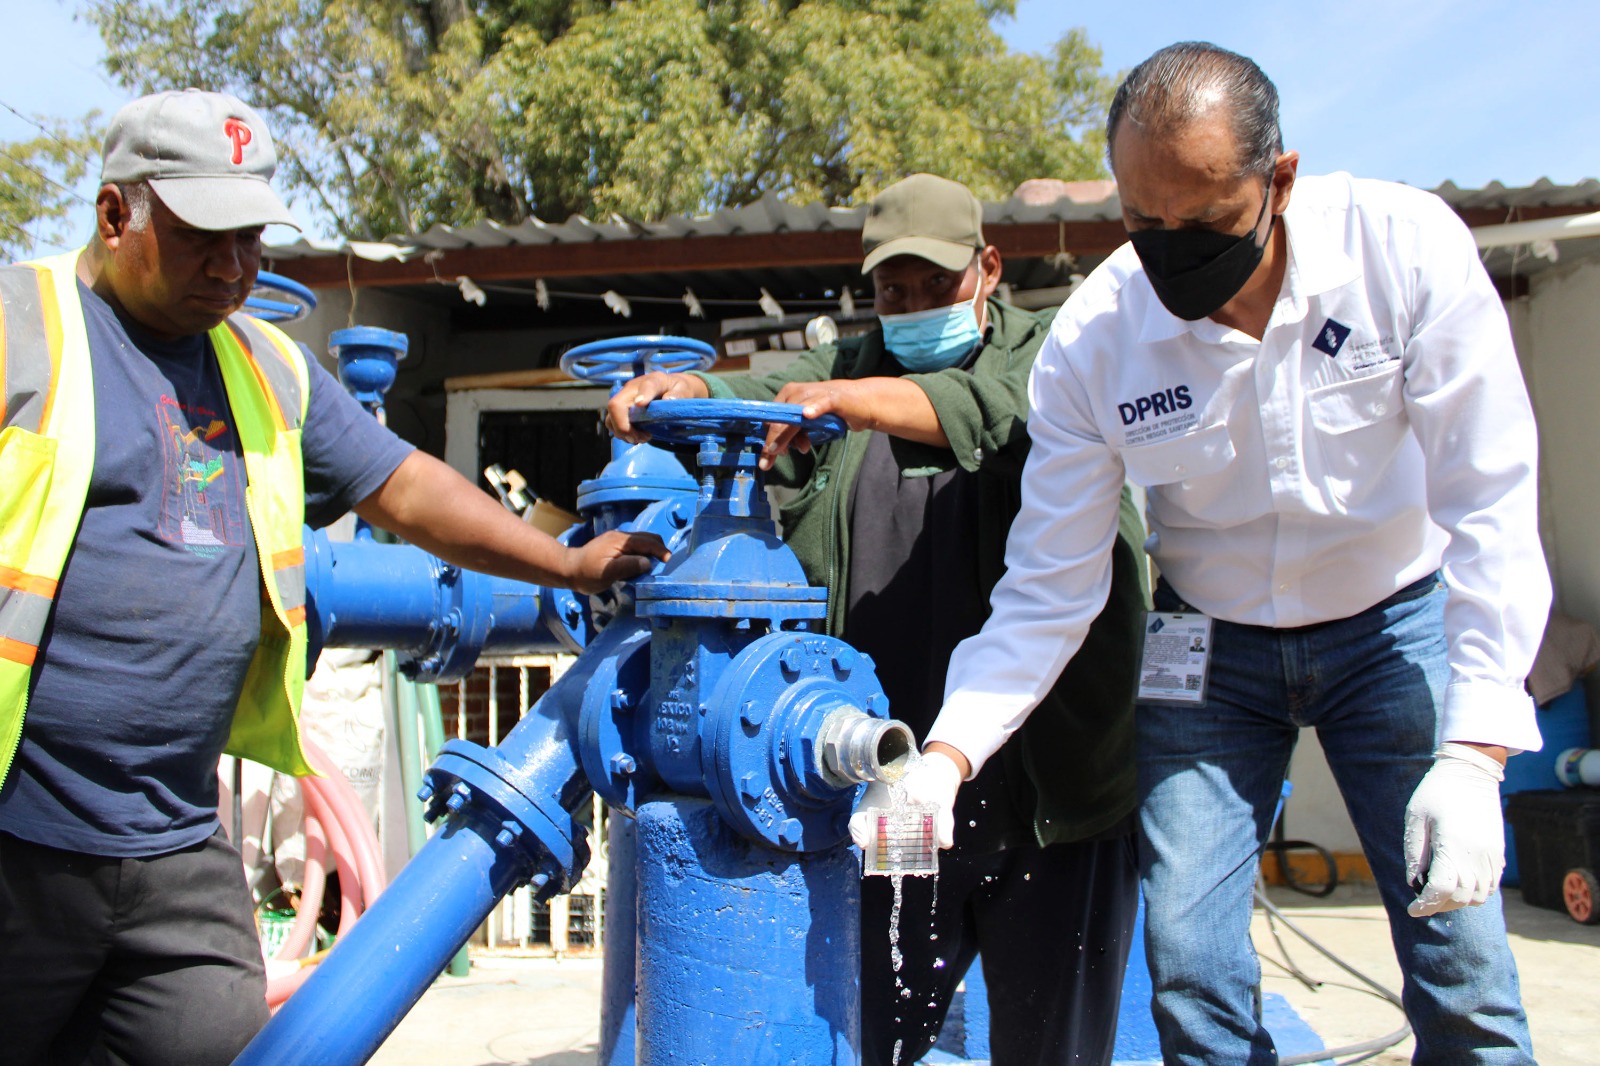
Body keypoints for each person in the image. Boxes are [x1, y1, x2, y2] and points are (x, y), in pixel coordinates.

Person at [899, 42, 1549, 1066]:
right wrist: (946, 756)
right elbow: (1049, 589)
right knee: (1189, 964)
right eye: (1140, 223)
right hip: (1206, 649)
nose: (1168, 253)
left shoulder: (1401, 252)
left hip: (1395, 621)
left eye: (1200, 223)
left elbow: (1490, 506)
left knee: (1456, 947)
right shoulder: (1095, 341)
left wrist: (1474, 756)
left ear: (1277, 178)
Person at [0, 89, 666, 1065]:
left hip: (178, 846)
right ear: (115, 215)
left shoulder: (269, 365)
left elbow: (405, 487)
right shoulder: (25, 328)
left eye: (250, 242)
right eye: (200, 238)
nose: (232, 268)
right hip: (22, 843)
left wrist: (561, 559)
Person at [609, 173, 1147, 1066]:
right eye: (893, 290)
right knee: (878, 1030)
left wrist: (843, 405)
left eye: (937, 285)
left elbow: (988, 411)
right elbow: (772, 382)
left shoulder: (1051, 350)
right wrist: (687, 388)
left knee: (1052, 1046)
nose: (914, 305)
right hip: (895, 785)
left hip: (1050, 795)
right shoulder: (850, 366)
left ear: (989, 267)